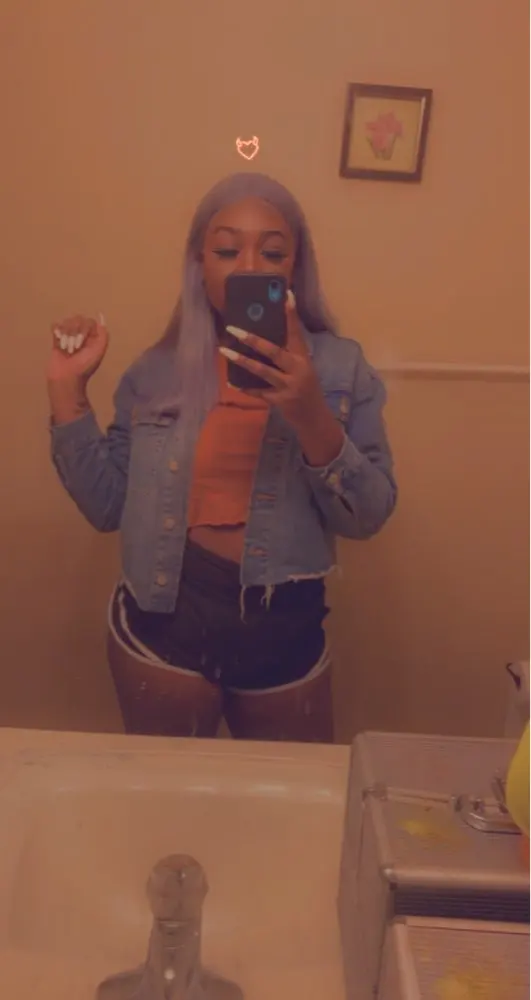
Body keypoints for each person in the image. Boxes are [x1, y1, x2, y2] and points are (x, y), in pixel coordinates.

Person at [47, 172, 397, 743]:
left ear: (295, 268)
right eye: (228, 250)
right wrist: (68, 394)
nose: (249, 266)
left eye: (273, 252)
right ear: (199, 264)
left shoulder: (340, 369)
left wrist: (310, 411)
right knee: (169, 794)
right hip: (165, 620)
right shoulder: (155, 371)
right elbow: (107, 506)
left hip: (284, 627)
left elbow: (369, 516)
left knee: (294, 795)